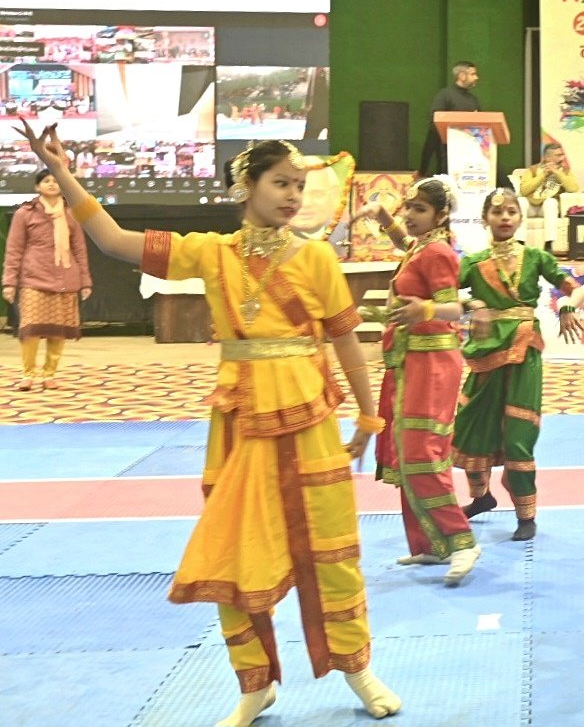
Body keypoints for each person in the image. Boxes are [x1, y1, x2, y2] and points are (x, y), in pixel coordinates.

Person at [14, 123, 399, 726]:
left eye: (298, 186)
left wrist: (369, 416)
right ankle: (254, 684)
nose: (293, 196)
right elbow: (113, 240)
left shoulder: (318, 257)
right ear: (246, 187)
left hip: (311, 421)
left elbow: (347, 341)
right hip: (240, 425)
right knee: (232, 551)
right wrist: (63, 173)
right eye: (280, 183)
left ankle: (358, 669)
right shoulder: (210, 252)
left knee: (332, 548)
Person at [357, 177, 480, 585]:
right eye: (408, 207)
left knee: (420, 453)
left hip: (432, 364)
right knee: (403, 453)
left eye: (419, 209)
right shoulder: (422, 246)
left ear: (441, 215)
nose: (409, 215)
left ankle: (462, 542)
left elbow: (455, 308)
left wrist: (423, 310)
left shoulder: (439, 252)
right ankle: (431, 545)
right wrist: (384, 217)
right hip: (409, 360)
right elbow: (405, 244)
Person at [450, 188, 584, 542]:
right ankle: (481, 498)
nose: (505, 217)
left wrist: (568, 305)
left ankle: (527, 516)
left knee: (518, 435)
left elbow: (576, 289)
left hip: (525, 351)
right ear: (486, 219)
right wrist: (472, 305)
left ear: (520, 217)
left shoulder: (536, 257)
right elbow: (441, 291)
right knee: (472, 425)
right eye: (498, 212)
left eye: (511, 211)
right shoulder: (473, 263)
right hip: (485, 353)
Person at [4, 168, 91, 391]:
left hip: (65, 278)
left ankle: (49, 374)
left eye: (55, 180)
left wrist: (85, 281)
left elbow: (79, 250)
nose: (52, 184)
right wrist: (9, 282)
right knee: (30, 330)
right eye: (46, 181)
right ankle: (28, 374)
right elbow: (14, 250)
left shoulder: (71, 214)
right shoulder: (25, 213)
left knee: (58, 331)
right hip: (34, 278)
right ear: (37, 186)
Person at [419, 61, 480, 176]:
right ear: (462, 76)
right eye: (473, 74)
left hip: (470, 151)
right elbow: (435, 123)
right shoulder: (445, 95)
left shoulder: (473, 100)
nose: (476, 77)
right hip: (447, 150)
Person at [515, 142, 578, 254]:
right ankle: (520, 243)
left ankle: (548, 244)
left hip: (548, 206)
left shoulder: (565, 171)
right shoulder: (532, 170)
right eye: (558, 155)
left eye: (562, 155)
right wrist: (543, 175)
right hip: (531, 205)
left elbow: (573, 188)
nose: (562, 158)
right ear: (547, 157)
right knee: (520, 201)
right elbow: (524, 190)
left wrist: (557, 173)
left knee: (551, 203)